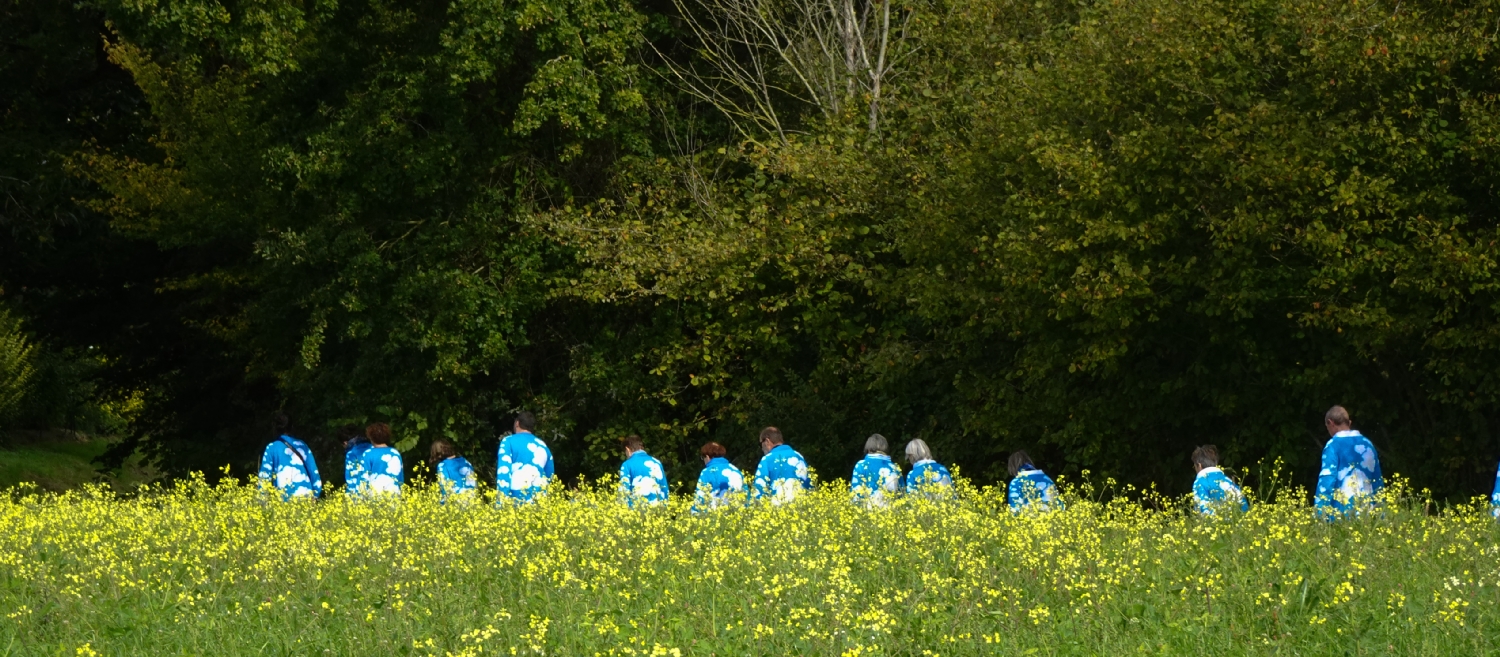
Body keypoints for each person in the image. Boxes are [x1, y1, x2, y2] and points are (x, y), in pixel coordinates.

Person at [1314, 405, 1384, 520]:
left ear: (1330, 423)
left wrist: (1319, 514)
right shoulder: (1368, 444)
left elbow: (1327, 480)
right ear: (1349, 423)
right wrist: (1381, 514)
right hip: (1367, 514)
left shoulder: (1333, 445)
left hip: (1341, 516)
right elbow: (1377, 480)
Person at [257, 413, 323, 500]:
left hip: (283, 501)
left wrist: (263, 503)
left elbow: (264, 478)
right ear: (292, 427)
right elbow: (314, 473)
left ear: (275, 428)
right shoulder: (302, 446)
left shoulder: (272, 448)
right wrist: (315, 495)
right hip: (306, 499)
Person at [495, 411, 554, 504]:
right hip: (540, 504)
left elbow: (504, 472)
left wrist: (500, 505)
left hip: (516, 503)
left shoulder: (508, 441)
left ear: (517, 423)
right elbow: (550, 477)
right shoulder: (543, 445)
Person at [750, 426, 812, 505]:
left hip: (778, 510)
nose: (761, 448)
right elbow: (809, 483)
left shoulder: (767, 459)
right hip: (801, 509)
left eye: (761, 443)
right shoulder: (798, 456)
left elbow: (759, 488)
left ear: (767, 441)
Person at [1191, 445, 1249, 515]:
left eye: (1194, 467)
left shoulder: (1200, 482)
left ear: (1199, 465)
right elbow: (1244, 506)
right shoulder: (1228, 480)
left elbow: (1201, 509)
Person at [691, 442, 745, 513]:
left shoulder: (707, 472)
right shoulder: (736, 470)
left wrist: (694, 514)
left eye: (702, 458)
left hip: (715, 518)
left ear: (707, 457)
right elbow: (745, 495)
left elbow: (700, 498)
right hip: (737, 516)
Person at [618, 435, 669, 508]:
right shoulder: (656, 462)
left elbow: (623, 491)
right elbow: (664, 489)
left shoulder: (627, 464)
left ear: (627, 449)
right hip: (657, 510)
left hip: (637, 511)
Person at [356, 422, 404, 496]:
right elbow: (400, 477)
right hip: (394, 494)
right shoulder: (395, 453)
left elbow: (363, 477)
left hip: (375, 495)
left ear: (371, 437)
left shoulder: (368, 453)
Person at [431, 438, 477, 503]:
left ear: (438, 453)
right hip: (473, 502)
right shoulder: (466, 462)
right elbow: (474, 484)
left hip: (456, 503)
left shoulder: (442, 466)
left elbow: (445, 488)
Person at [341, 424, 372, 496]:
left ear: (345, 443)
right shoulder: (372, 448)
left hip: (360, 494)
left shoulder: (351, 454)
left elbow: (352, 478)